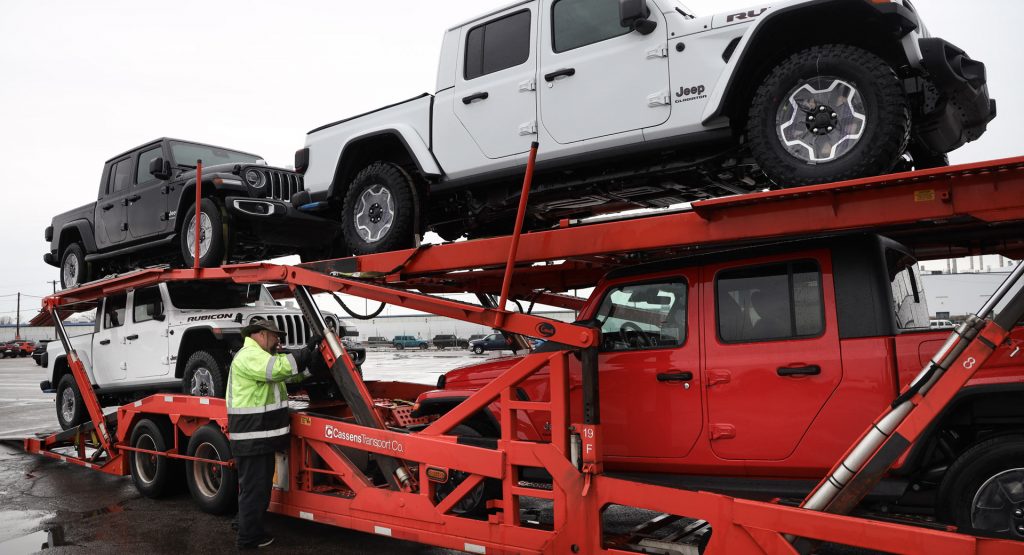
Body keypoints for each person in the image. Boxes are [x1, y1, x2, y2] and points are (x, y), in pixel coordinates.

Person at [228, 318, 319, 549]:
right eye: (274, 335)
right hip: (254, 436)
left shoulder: (260, 357)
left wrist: (309, 367)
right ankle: (248, 539)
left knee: (252, 487)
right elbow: (279, 368)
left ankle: (243, 524)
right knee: (256, 489)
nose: (278, 340)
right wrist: (305, 351)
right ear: (260, 334)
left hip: (257, 436)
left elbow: (286, 375)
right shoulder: (250, 355)